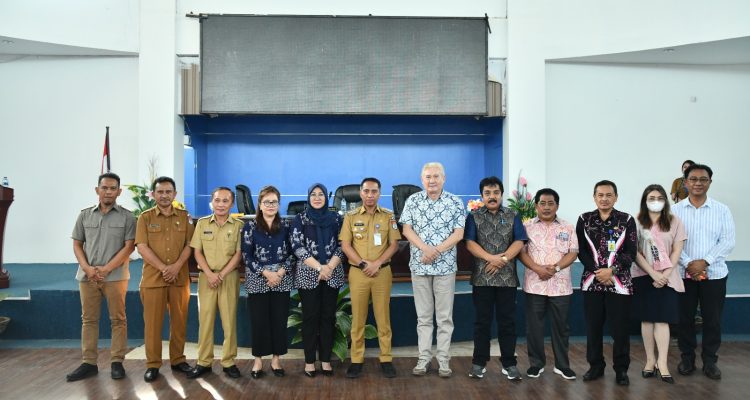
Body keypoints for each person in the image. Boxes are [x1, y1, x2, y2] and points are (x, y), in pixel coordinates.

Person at [66, 172, 136, 382]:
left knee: (118, 320)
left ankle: (117, 362)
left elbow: (129, 247)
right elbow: (77, 243)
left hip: (115, 277)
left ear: (119, 191)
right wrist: (87, 268)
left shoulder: (127, 216)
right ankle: (89, 363)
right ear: (97, 190)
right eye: (104, 188)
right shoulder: (85, 215)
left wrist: (106, 269)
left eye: (112, 188)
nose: (108, 191)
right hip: (88, 277)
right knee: (88, 320)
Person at [399, 162, 465, 378]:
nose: (432, 180)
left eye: (436, 176)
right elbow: (406, 230)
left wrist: (435, 250)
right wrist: (425, 249)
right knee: (424, 317)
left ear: (444, 179)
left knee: (445, 318)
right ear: (422, 179)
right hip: (419, 266)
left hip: (445, 268)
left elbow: (458, 234)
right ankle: (424, 359)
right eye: (428, 176)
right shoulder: (413, 201)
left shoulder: (454, 202)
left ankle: (444, 360)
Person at [673, 164, 735, 380]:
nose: (698, 183)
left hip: (714, 274)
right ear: (686, 182)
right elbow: (670, 242)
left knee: (712, 319)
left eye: (703, 179)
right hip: (683, 274)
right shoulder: (675, 211)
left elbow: (728, 241)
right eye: (693, 179)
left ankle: (710, 361)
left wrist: (705, 262)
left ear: (710, 182)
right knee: (685, 319)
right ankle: (687, 358)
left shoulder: (722, 210)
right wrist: (689, 263)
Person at [464, 176, 528, 380]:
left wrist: (503, 258)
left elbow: (519, 241)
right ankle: (478, 363)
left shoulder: (513, 215)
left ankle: (509, 363)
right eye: (487, 193)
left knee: (507, 322)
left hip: (507, 279)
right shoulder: (473, 216)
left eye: (496, 193)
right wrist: (491, 258)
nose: (492, 197)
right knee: (482, 323)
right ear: (482, 195)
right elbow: (469, 243)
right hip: (482, 279)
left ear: (501, 194)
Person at [576, 180, 637, 386]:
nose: (604, 198)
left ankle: (621, 370)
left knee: (620, 329)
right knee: (593, 327)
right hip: (592, 282)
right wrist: (597, 271)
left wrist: (611, 271)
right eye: (600, 195)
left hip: (619, 282)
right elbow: (582, 252)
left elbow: (631, 252)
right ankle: (595, 366)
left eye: (608, 195)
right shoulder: (584, 219)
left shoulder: (627, 220)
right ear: (594, 197)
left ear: (616, 197)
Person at [340, 177, 401, 379]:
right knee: (358, 319)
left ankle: (386, 359)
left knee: (383, 319)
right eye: (366, 191)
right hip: (359, 273)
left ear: (379, 193)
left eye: (374, 191)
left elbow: (393, 245)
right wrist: (364, 264)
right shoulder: (350, 216)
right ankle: (356, 360)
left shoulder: (388, 216)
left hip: (382, 273)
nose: (370, 195)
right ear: (360, 193)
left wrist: (376, 264)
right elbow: (346, 246)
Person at [135, 176, 195, 382]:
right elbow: (141, 246)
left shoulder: (184, 217)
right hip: (153, 279)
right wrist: (163, 268)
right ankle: (153, 364)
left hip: (179, 278)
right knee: (152, 324)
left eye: (168, 192)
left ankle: (178, 360)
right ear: (153, 194)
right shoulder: (145, 218)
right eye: (160, 192)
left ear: (175, 194)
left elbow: (190, 244)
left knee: (179, 322)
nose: (164, 195)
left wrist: (176, 266)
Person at [517, 188, 578, 381]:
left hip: (560, 285)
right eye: (542, 203)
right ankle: (536, 364)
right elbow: (521, 252)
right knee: (534, 327)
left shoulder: (568, 227)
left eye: (550, 203)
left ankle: (562, 365)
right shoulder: (526, 226)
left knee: (561, 328)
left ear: (557, 206)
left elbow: (573, 252)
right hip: (535, 284)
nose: (546, 207)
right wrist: (537, 268)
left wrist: (555, 268)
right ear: (536, 206)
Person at [631, 184, 687, 384]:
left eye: (659, 197)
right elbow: (634, 251)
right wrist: (653, 273)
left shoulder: (675, 221)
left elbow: (677, 251)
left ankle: (662, 363)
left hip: (667, 277)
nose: (655, 200)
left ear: (665, 200)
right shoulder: (636, 221)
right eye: (651, 197)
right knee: (647, 320)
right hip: (644, 275)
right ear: (645, 200)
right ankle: (649, 361)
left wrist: (665, 274)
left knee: (662, 320)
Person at [187, 187, 243, 379]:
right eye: (217, 200)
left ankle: (228, 362)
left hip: (229, 278)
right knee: (206, 321)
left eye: (225, 201)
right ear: (212, 202)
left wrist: (220, 275)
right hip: (206, 278)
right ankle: (204, 362)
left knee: (229, 322)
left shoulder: (237, 225)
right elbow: (197, 252)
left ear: (232, 203)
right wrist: (210, 274)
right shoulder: (202, 224)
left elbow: (238, 255)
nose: (221, 204)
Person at [291, 183, 344, 377]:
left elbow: (342, 245)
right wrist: (320, 267)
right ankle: (309, 362)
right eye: (313, 194)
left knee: (328, 318)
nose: (317, 197)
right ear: (308, 197)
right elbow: (297, 246)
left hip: (332, 274)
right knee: (310, 318)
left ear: (326, 198)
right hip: (308, 274)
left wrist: (328, 267)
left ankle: (326, 360)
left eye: (321, 194)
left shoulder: (336, 219)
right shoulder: (300, 219)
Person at [241, 185, 294, 379]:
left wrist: (279, 273)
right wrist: (266, 273)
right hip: (258, 279)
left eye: (274, 202)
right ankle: (258, 361)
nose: (271, 205)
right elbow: (246, 255)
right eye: (266, 202)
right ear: (260, 205)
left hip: (282, 278)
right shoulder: (250, 227)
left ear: (279, 204)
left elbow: (293, 253)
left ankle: (276, 359)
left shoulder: (287, 226)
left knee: (279, 320)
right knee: (259, 321)